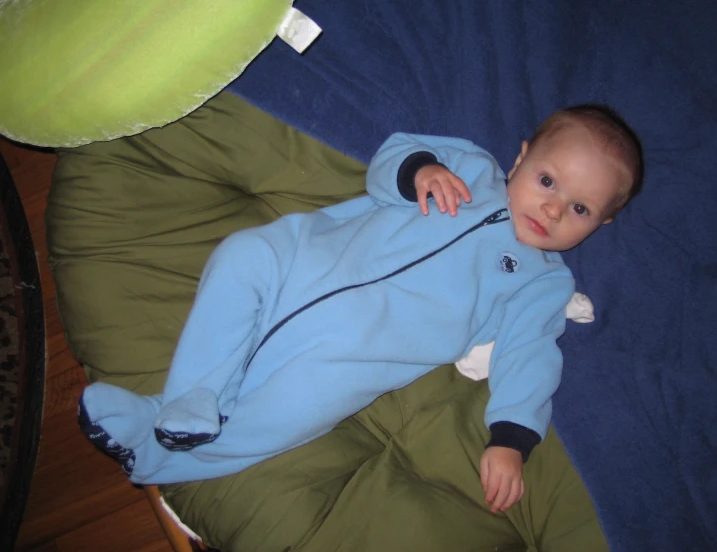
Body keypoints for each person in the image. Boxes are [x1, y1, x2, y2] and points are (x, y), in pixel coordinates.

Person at [79, 104, 643, 514]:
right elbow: (392, 155)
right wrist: (421, 172)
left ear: (602, 223)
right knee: (241, 255)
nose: (551, 207)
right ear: (521, 157)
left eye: (579, 208)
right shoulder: (470, 168)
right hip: (308, 259)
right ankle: (189, 399)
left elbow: (529, 357)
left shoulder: (542, 284)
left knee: (288, 408)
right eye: (547, 179)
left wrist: (510, 440)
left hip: (357, 354)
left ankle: (153, 452)